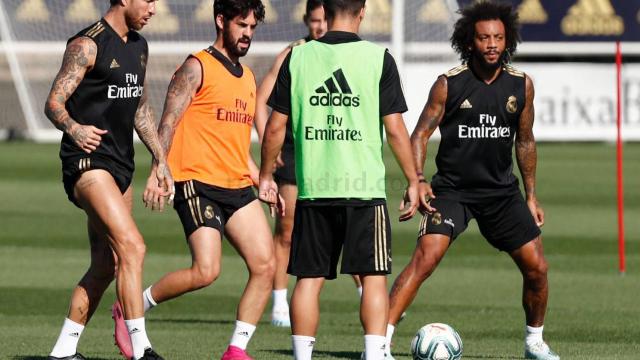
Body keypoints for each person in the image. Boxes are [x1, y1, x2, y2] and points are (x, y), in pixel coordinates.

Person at [384, 2, 559, 360]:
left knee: (537, 268)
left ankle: (534, 342)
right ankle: (379, 345)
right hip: (452, 192)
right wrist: (417, 180)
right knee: (425, 259)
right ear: (470, 42)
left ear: (507, 39)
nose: (491, 44)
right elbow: (419, 135)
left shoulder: (521, 85)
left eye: (497, 37)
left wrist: (531, 195)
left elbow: (525, 141)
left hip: (501, 193)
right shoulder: (449, 85)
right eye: (483, 38)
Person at [111, 1, 277, 360]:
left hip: (236, 184)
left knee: (266, 265)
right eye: (241, 25)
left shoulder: (247, 77)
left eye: (252, 27)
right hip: (195, 182)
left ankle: (236, 351)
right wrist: (159, 168)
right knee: (206, 271)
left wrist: (259, 177)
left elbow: (234, 137)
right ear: (221, 20)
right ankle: (132, 307)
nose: (247, 33)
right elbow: (167, 121)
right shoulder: (196, 66)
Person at [259, 0, 419, 358]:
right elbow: (395, 130)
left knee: (309, 280)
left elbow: (275, 127)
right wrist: (413, 179)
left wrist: (267, 174)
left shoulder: (297, 59)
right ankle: (375, 353)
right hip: (364, 190)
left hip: (314, 189)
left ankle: (302, 356)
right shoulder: (379, 59)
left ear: (326, 13)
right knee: (373, 277)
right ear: (362, 12)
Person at [43, 0, 168, 359]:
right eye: (148, 1)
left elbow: (140, 107)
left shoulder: (139, 46)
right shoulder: (87, 45)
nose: (154, 9)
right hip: (87, 163)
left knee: (107, 264)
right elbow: (53, 102)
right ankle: (141, 349)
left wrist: (160, 159)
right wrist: (74, 128)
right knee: (133, 246)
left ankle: (63, 352)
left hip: (120, 166)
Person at [254, 0, 363, 328]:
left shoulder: (348, 52)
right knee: (286, 229)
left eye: (322, 20)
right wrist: (268, 151)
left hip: (332, 150)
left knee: (351, 225)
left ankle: (367, 296)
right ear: (307, 21)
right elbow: (260, 101)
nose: (318, 27)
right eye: (313, 21)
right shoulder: (293, 54)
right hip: (294, 151)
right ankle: (278, 304)